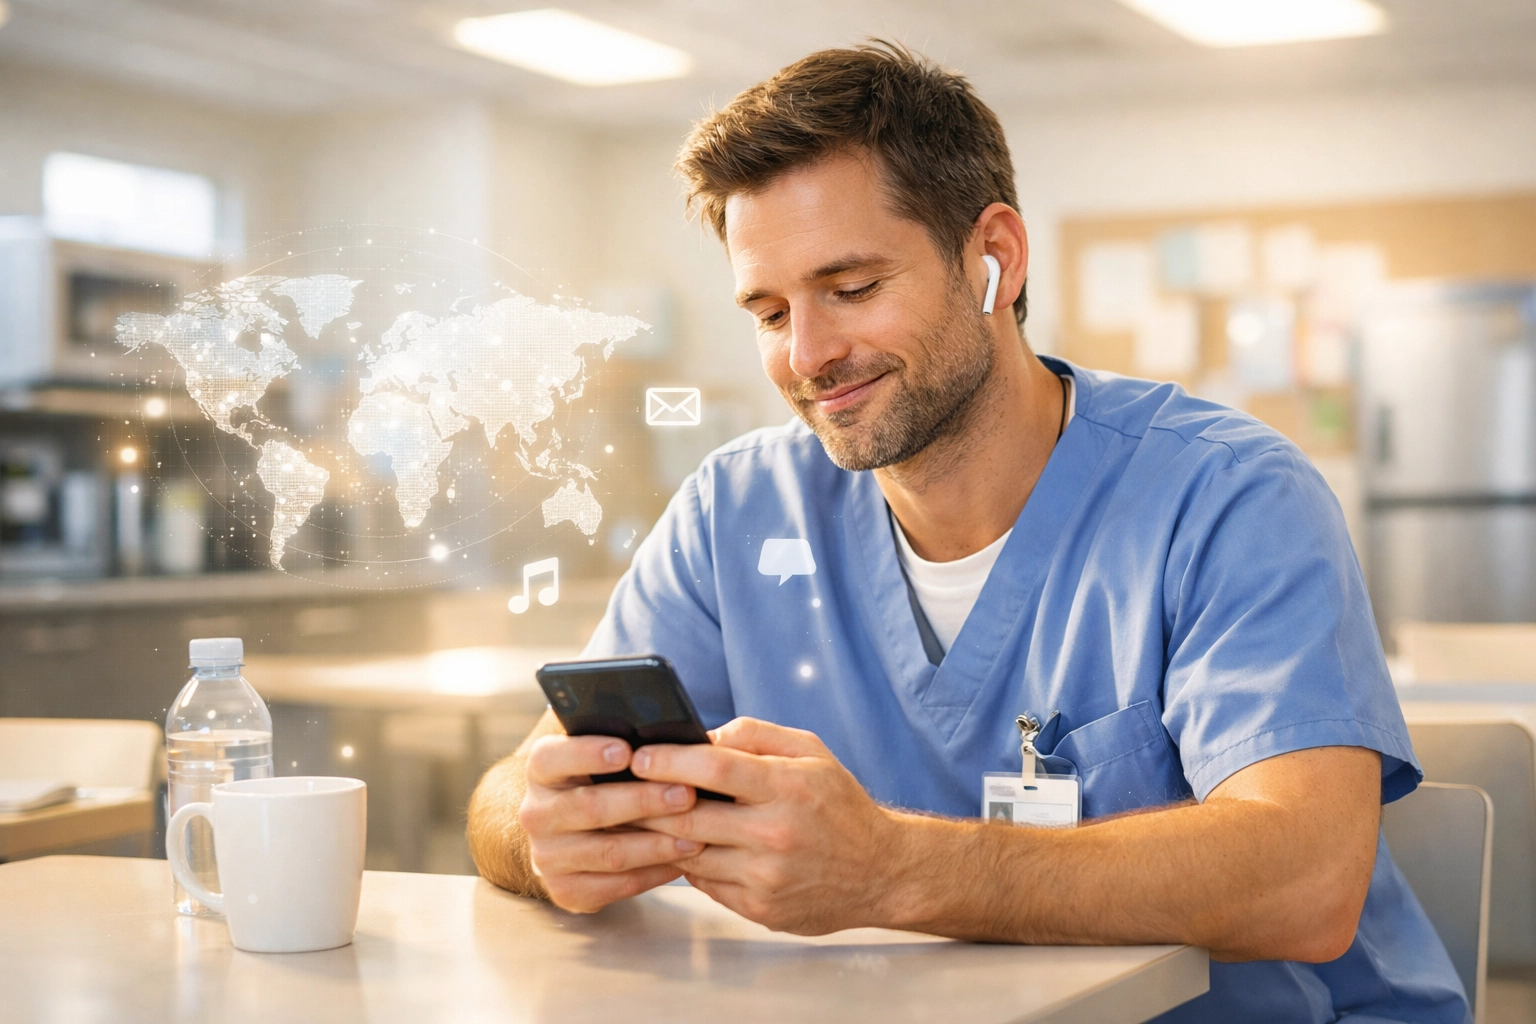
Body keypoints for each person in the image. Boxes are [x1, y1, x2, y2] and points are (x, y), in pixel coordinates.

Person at [468, 42, 1468, 1023]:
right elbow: (511, 791)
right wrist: (542, 834)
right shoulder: (735, 511)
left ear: (995, 258)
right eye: (770, 313)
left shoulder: (1228, 496)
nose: (807, 355)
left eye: (852, 289)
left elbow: (1305, 882)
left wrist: (889, 869)